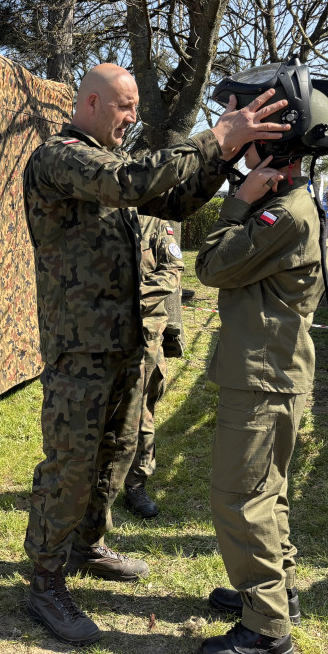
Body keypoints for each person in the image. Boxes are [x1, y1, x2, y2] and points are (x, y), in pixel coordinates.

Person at [21, 62, 292, 646]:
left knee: (116, 452)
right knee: (69, 465)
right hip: (79, 347)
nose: (133, 117)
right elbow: (133, 182)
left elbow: (173, 201)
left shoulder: (109, 166)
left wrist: (225, 161)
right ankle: (44, 581)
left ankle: (89, 545)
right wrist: (216, 138)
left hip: (124, 341)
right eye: (125, 106)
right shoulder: (59, 158)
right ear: (90, 102)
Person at [194, 58, 328, 654]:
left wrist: (238, 203)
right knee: (268, 491)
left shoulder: (281, 213)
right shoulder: (300, 202)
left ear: (269, 143)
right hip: (275, 373)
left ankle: (265, 627)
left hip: (262, 377)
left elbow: (211, 266)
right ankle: (273, 592)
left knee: (240, 498)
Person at [121, 214, 183, 520]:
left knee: (142, 410)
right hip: (96, 334)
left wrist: (131, 297)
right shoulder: (91, 211)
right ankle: (93, 485)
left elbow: (172, 269)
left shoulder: (153, 220)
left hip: (145, 333)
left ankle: (136, 484)